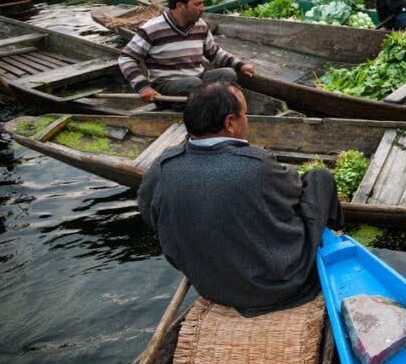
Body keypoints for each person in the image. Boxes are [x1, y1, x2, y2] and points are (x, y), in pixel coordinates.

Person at [137, 81, 343, 316]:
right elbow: (294, 196)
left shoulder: (163, 165)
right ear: (230, 123)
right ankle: (334, 240)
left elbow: (147, 210)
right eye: (245, 114)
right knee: (319, 178)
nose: (247, 120)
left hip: (212, 287)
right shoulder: (257, 164)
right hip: (280, 286)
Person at [119, 0, 257, 102]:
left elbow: (214, 53)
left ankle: (213, 103)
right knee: (194, 84)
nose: (202, 8)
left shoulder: (200, 25)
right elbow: (126, 58)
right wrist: (142, 86)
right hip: (167, 86)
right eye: (197, 4)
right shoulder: (152, 29)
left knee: (227, 74)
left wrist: (241, 66)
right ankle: (206, 105)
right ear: (180, 6)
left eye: (202, 3)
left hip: (197, 80)